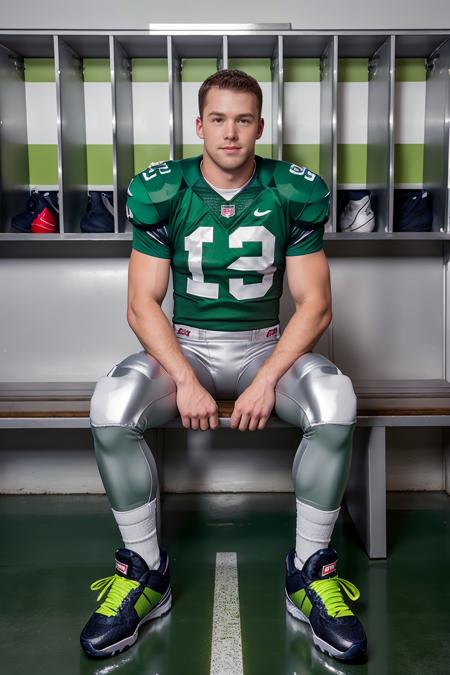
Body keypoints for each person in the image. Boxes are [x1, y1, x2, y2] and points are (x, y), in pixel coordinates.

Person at [80, 69, 367, 662]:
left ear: (260, 126)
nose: (230, 133)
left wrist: (265, 379)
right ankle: (145, 572)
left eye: (243, 120)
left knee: (338, 399)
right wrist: (184, 377)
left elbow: (316, 306)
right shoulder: (165, 189)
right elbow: (141, 304)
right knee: (109, 404)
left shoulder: (292, 189)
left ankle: (310, 572)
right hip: (185, 347)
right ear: (199, 125)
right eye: (218, 119)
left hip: (267, 346)